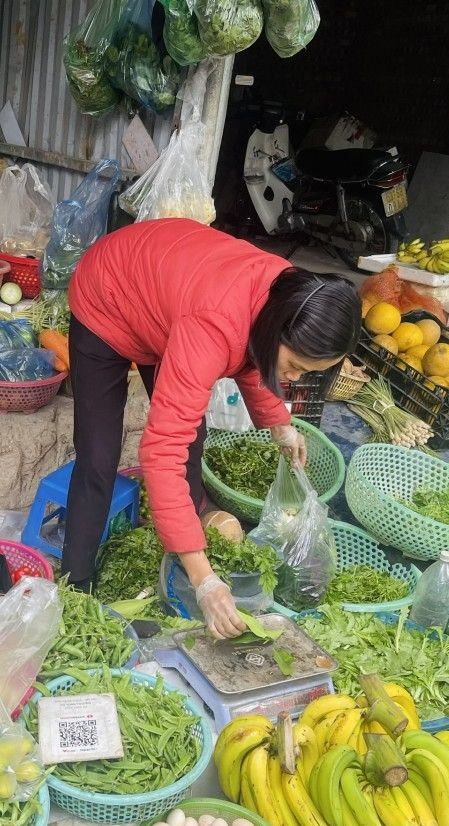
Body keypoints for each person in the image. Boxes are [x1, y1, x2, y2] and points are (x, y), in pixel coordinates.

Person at [61, 218, 361, 638]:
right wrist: (205, 582)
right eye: (294, 367)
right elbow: (162, 451)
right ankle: (76, 583)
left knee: (193, 437)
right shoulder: (214, 326)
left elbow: (258, 358)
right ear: (277, 328)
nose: (292, 379)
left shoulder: (284, 297)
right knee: (99, 453)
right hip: (110, 293)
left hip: (168, 303)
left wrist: (281, 426)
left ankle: (183, 544)